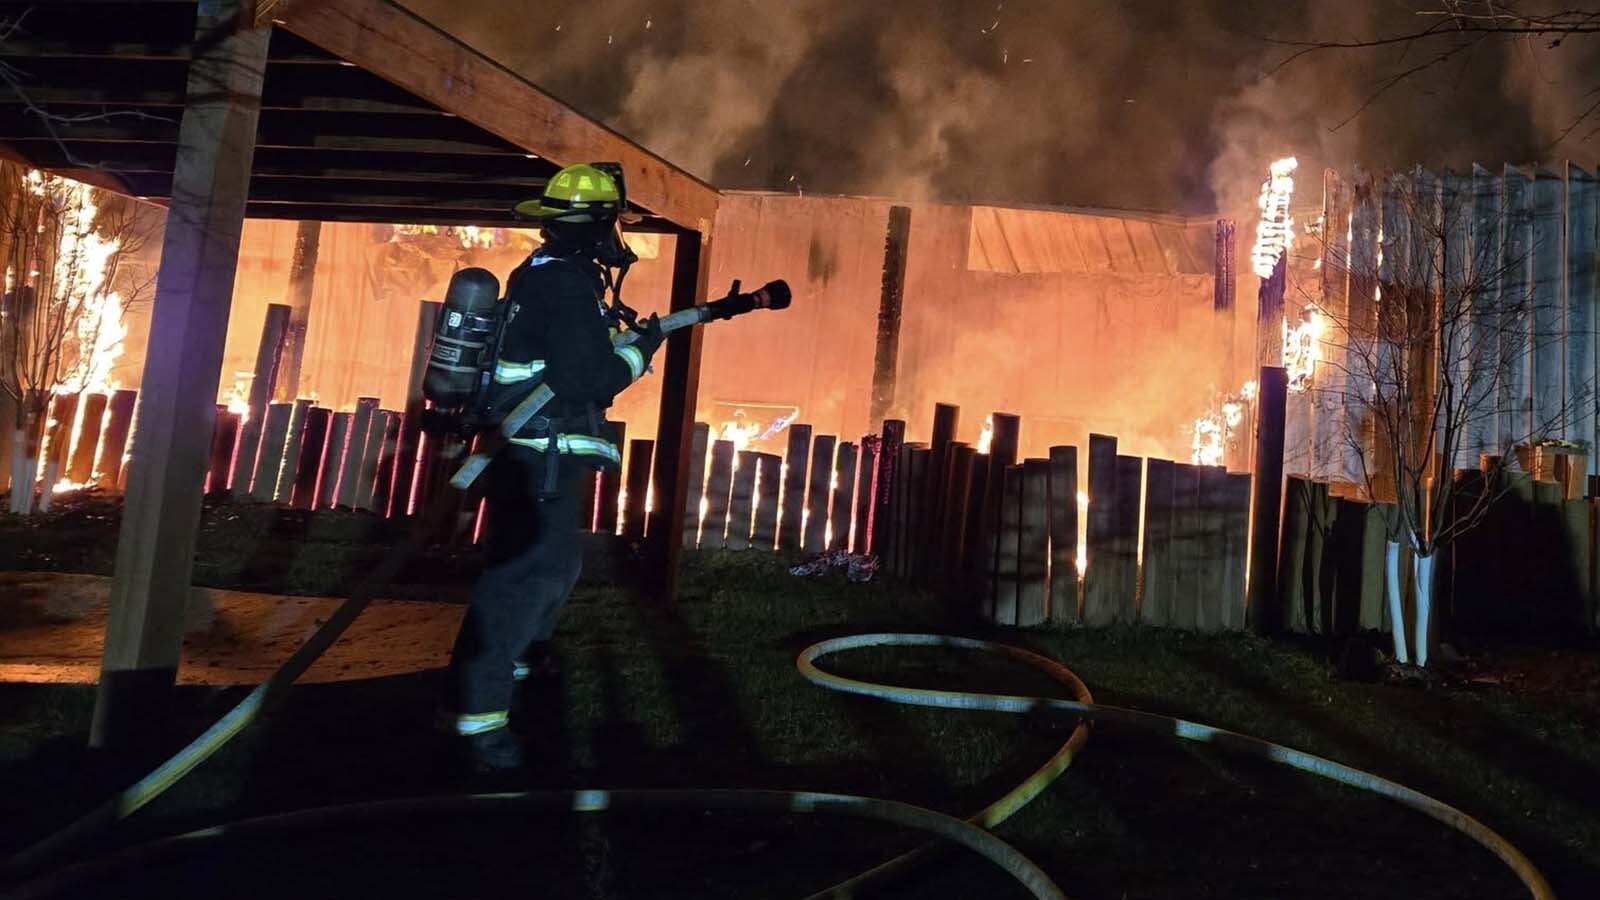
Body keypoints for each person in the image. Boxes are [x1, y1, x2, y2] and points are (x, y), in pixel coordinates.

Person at [443, 163, 664, 773]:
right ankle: (480, 725)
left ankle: (507, 681)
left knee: (554, 567)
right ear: (599, 226)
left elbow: (563, 357)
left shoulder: (543, 273)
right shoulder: (567, 284)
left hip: (531, 451)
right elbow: (585, 379)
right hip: (538, 452)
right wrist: (638, 356)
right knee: (527, 576)